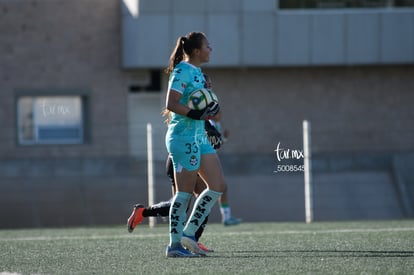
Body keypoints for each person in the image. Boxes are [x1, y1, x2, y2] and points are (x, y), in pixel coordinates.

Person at [164, 31, 226, 257]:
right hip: (183, 137)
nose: (211, 49)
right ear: (197, 51)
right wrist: (197, 113)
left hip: (200, 137)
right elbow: (170, 103)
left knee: (218, 185)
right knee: (184, 193)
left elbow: (208, 109)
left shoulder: (199, 73)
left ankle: (189, 234)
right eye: (208, 46)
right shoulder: (182, 70)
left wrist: (212, 109)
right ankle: (174, 246)